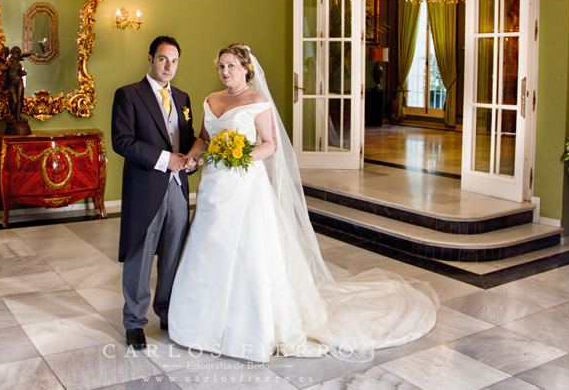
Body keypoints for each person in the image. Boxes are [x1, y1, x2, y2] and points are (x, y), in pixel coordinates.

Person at [168, 44, 439, 363]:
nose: (225, 72)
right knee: (207, 247)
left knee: (245, 251)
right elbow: (203, 137)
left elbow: (270, 145)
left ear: (246, 69)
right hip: (214, 185)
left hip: (244, 186)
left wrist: (240, 155)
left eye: (231, 66)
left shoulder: (258, 102)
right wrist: (194, 155)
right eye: (221, 67)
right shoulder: (211, 100)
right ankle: (201, 321)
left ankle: (250, 326)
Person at [112, 36, 196, 351]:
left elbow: (185, 142)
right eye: (163, 59)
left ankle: (168, 313)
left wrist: (190, 161)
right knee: (140, 256)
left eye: (174, 60)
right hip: (146, 187)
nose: (168, 66)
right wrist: (165, 160)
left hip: (178, 188)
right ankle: (134, 323)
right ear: (150, 59)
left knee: (173, 255)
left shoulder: (184, 98)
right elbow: (122, 141)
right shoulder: (128, 95)